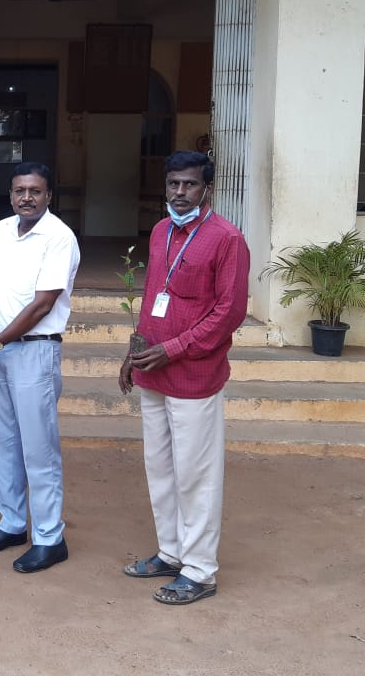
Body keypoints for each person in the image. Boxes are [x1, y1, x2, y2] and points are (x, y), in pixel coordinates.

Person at [119, 150, 249, 606]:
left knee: (196, 475)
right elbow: (156, 294)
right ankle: (172, 553)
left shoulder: (226, 239)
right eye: (173, 184)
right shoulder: (160, 232)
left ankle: (200, 571)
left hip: (195, 377)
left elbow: (227, 314)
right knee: (160, 468)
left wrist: (171, 349)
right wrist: (133, 350)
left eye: (189, 185)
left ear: (206, 189)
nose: (179, 193)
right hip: (153, 373)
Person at [0, 161, 80, 573]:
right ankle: (12, 522)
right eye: (19, 190)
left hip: (33, 352)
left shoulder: (59, 237)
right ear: (10, 194)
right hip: (0, 350)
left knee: (38, 448)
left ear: (49, 195)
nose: (26, 197)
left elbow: (43, 304)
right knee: (5, 441)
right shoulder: (2, 230)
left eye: (35, 190)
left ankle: (50, 536)